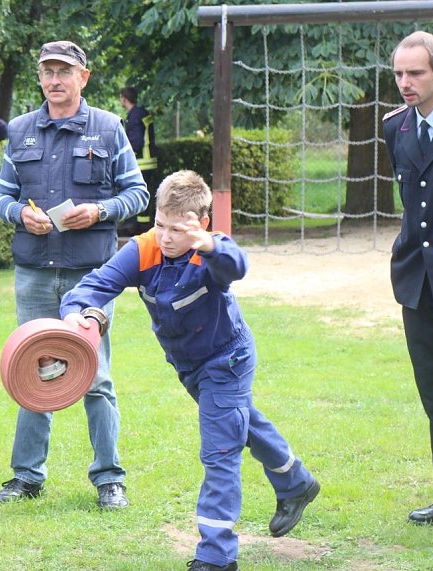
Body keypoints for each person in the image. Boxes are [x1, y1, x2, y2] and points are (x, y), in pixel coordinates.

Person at [59, 170, 320, 571]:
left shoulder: (211, 252)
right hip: (189, 366)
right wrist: (78, 315)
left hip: (227, 361)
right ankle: (296, 481)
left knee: (220, 450)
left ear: (200, 224)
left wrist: (211, 246)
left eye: (177, 230)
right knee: (239, 423)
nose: (165, 237)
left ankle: (216, 556)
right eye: (159, 225)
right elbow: (95, 285)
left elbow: (237, 265)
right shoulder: (144, 249)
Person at [0, 40, 148, 509]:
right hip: (35, 273)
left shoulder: (108, 128)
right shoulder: (19, 131)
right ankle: (26, 477)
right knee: (31, 370)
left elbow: (137, 193)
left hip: (92, 278)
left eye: (64, 71)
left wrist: (99, 210)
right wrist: (21, 214)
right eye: (47, 72)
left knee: (95, 376)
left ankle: (109, 479)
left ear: (84, 77)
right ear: (40, 78)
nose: (54, 80)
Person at [383, 31, 433, 526]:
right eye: (398, 74)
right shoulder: (396, 128)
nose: (405, 83)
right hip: (418, 281)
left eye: (415, 73)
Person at [119, 86, 158, 233]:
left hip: (142, 162)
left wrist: (126, 158)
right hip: (149, 162)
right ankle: (143, 227)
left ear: (124, 98)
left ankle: (136, 227)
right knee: (146, 194)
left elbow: (136, 142)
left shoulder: (134, 116)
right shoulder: (142, 113)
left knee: (136, 193)